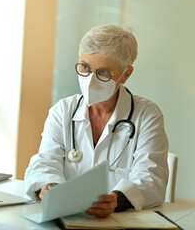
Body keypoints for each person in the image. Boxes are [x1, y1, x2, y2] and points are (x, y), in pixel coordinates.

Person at [24, 24, 169, 218]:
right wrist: (48, 187)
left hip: (121, 221)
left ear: (126, 75)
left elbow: (151, 179)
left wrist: (117, 200)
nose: (90, 80)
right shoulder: (63, 111)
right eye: (85, 67)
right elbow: (45, 163)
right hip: (67, 218)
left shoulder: (147, 115)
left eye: (103, 72)